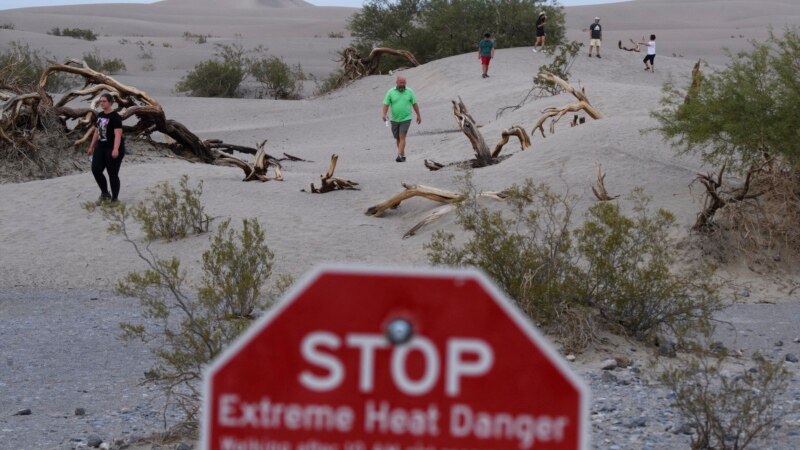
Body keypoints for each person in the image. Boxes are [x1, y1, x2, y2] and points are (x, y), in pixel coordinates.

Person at [87, 93, 125, 202]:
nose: (101, 103)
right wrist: (91, 147)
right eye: (100, 101)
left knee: (112, 174)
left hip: (112, 148)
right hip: (101, 147)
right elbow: (96, 131)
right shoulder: (99, 115)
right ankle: (105, 193)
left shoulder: (115, 117)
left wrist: (115, 149)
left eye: (104, 101)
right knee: (96, 170)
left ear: (110, 102)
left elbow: (118, 134)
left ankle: (115, 199)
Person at [381, 76, 421, 163]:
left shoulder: (410, 91)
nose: (402, 85)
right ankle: (402, 156)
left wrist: (418, 115)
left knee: (402, 136)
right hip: (394, 119)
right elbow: (386, 104)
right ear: (397, 82)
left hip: (406, 118)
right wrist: (384, 114)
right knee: (398, 138)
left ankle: (399, 155)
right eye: (401, 83)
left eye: (404, 83)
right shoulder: (390, 92)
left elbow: (414, 104)